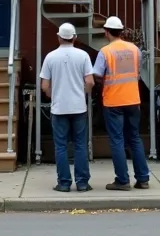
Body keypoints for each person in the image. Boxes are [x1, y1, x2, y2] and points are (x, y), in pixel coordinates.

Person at [92, 16, 151, 190]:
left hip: (113, 102)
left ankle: (122, 180)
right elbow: (137, 71)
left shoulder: (105, 51)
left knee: (117, 140)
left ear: (106, 32)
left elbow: (96, 74)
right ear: (122, 31)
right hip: (133, 99)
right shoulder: (135, 50)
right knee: (134, 138)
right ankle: (143, 179)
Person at [39, 22, 95, 192]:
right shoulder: (83, 55)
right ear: (75, 38)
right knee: (80, 145)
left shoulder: (50, 57)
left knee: (61, 146)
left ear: (58, 38)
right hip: (78, 107)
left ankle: (64, 183)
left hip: (59, 108)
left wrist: (51, 95)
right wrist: (82, 93)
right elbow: (90, 82)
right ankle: (82, 182)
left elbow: (44, 86)